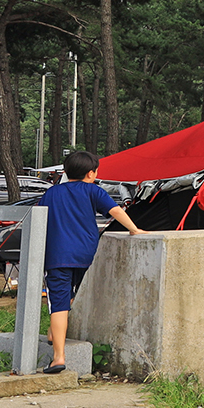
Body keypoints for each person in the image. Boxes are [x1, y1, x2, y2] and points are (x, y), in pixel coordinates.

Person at [39, 150, 148, 374]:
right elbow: (115, 210)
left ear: (66, 172)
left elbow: (40, 218)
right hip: (85, 254)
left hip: (58, 255)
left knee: (58, 303)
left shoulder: (52, 193)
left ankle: (59, 357)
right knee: (70, 295)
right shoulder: (93, 190)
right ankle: (52, 333)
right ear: (91, 173)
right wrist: (134, 229)